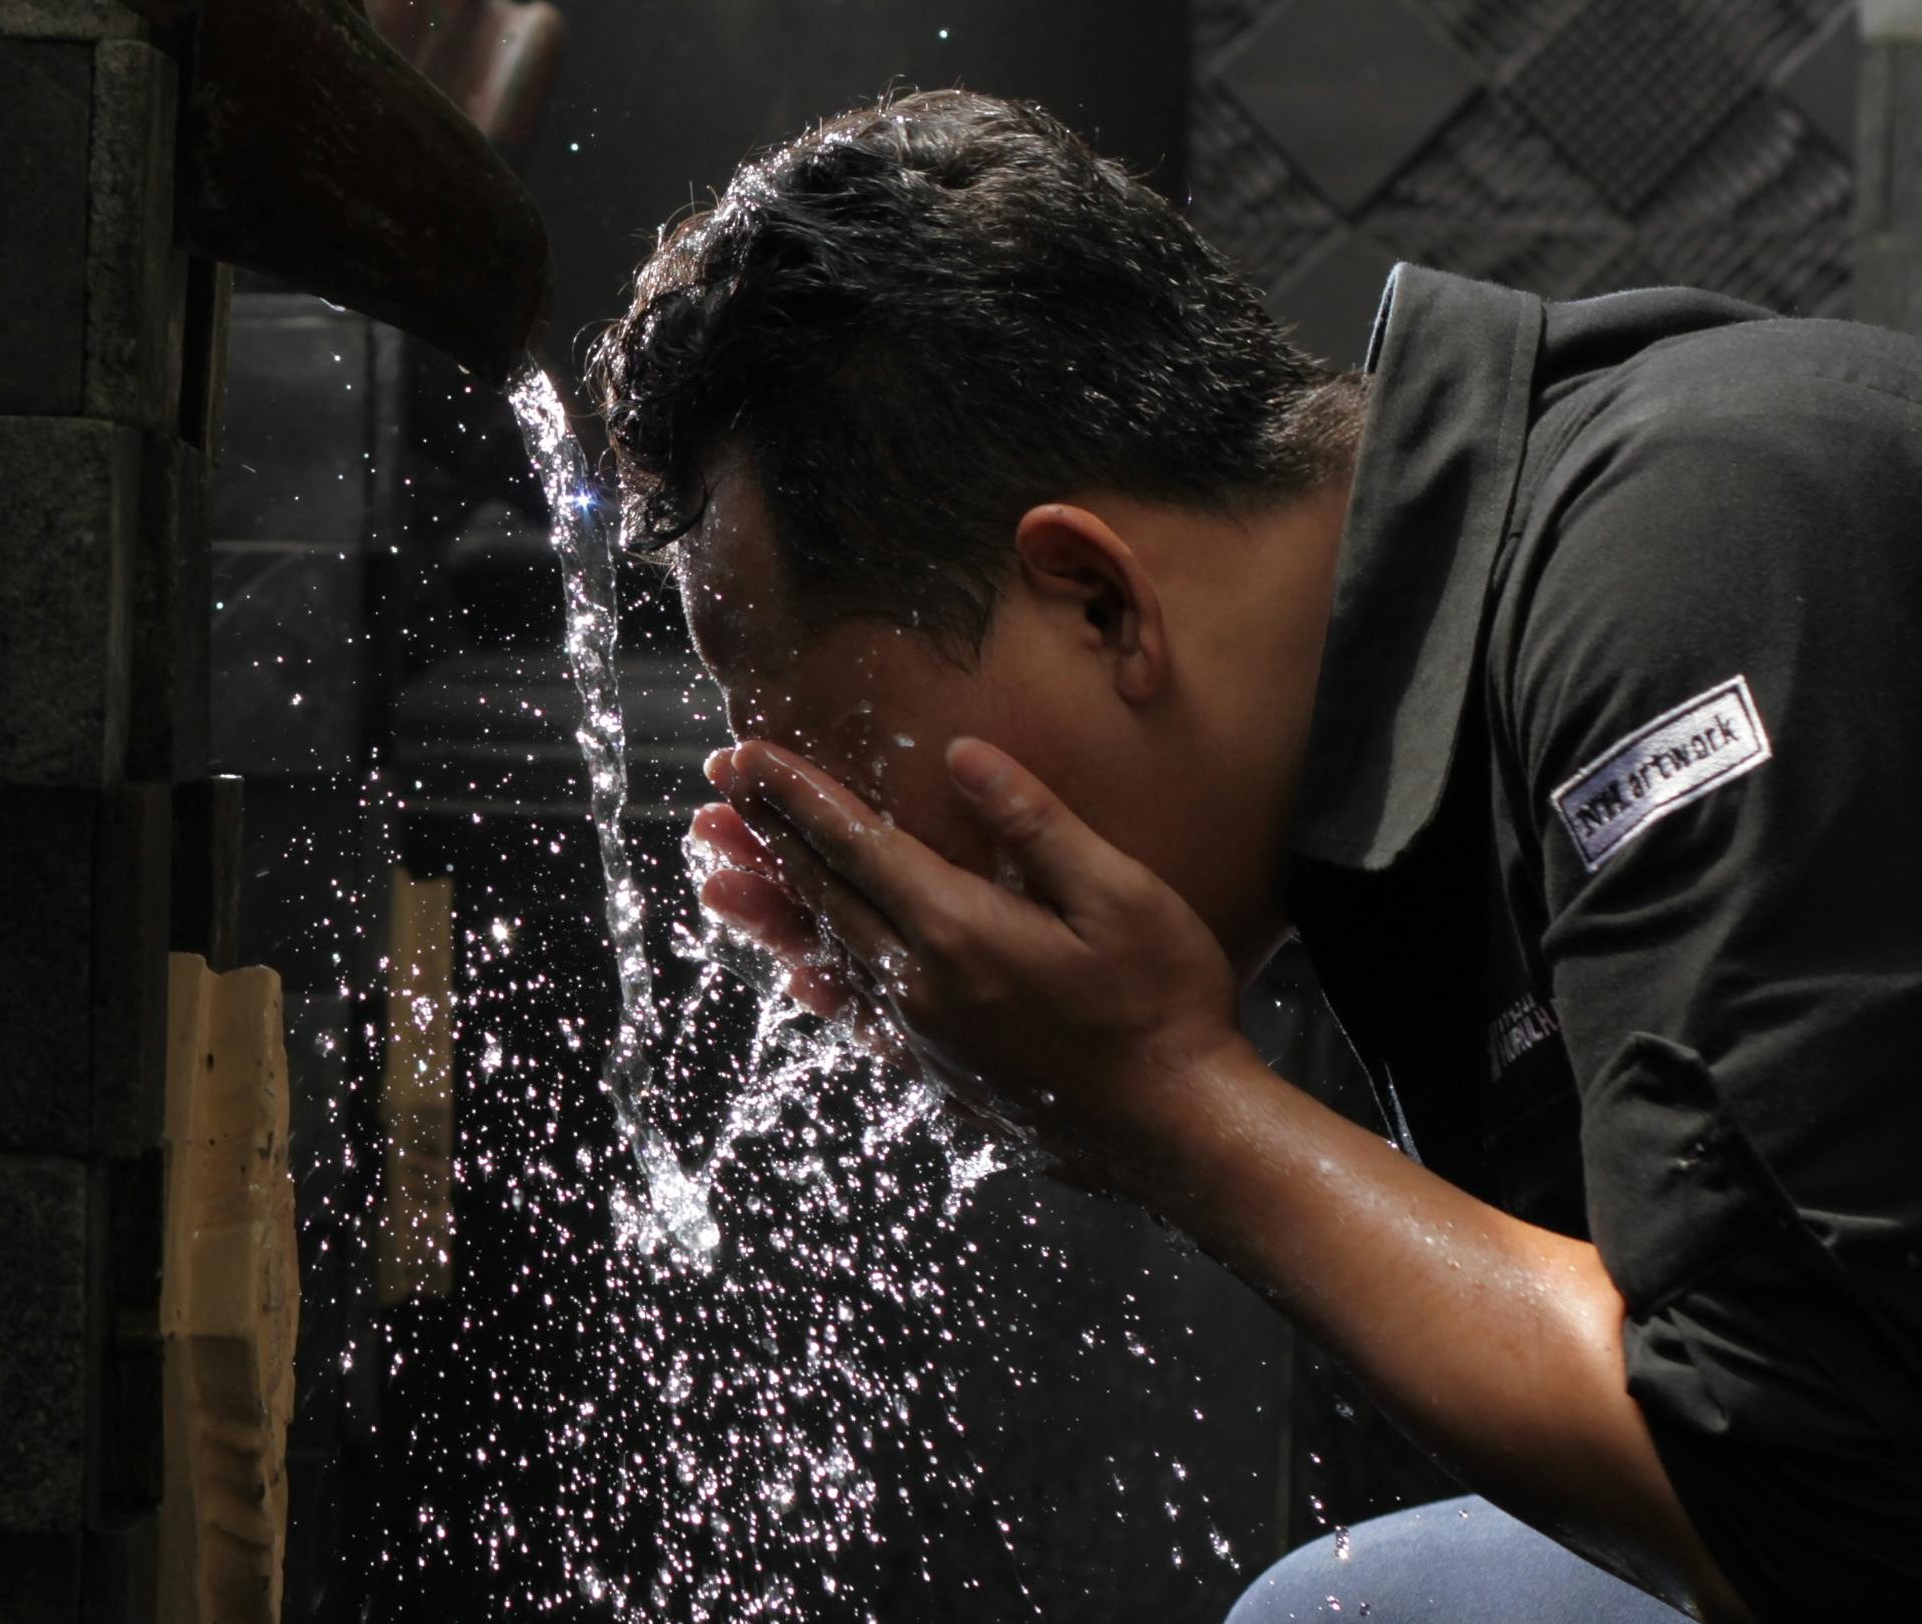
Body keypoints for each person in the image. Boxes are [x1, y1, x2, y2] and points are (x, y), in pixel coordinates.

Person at [591, 89, 1922, 1624]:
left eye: (852, 784)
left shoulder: (1689, 569)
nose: (857, 867)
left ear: (1097, 602)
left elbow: (1828, 1511)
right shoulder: (1413, 727)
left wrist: (1165, 1101)